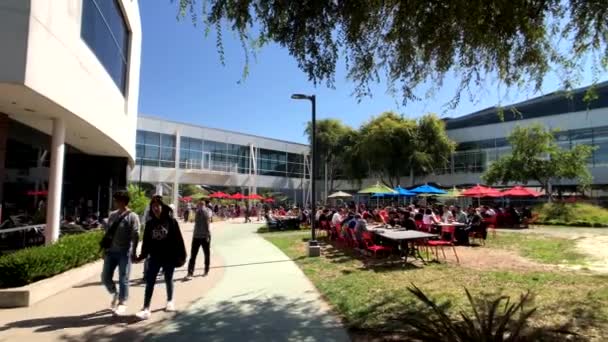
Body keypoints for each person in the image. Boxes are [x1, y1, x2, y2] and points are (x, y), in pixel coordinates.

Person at [136, 196, 186, 320]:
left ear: (162, 207)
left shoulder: (171, 222)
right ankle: (146, 308)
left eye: (158, 206)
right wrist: (142, 256)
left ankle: (170, 300)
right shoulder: (149, 224)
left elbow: (178, 240)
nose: (155, 208)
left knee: (168, 278)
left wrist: (181, 256)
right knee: (150, 281)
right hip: (154, 257)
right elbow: (146, 242)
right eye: (153, 206)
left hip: (169, 256)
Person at [101, 190, 140, 316]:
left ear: (123, 201)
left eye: (116, 200)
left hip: (124, 252)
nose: (115, 202)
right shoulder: (112, 215)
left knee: (123, 278)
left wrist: (134, 252)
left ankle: (122, 302)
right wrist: (104, 250)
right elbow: (107, 234)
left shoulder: (132, 216)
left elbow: (136, 234)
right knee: (105, 277)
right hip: (111, 252)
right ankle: (115, 292)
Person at [186, 200, 213, 280]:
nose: (199, 206)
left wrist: (208, 235)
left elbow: (208, 223)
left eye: (200, 205)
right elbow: (194, 221)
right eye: (199, 205)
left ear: (203, 205)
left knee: (206, 254)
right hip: (197, 236)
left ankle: (206, 270)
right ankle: (190, 272)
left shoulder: (206, 212)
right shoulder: (197, 212)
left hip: (204, 236)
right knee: (193, 255)